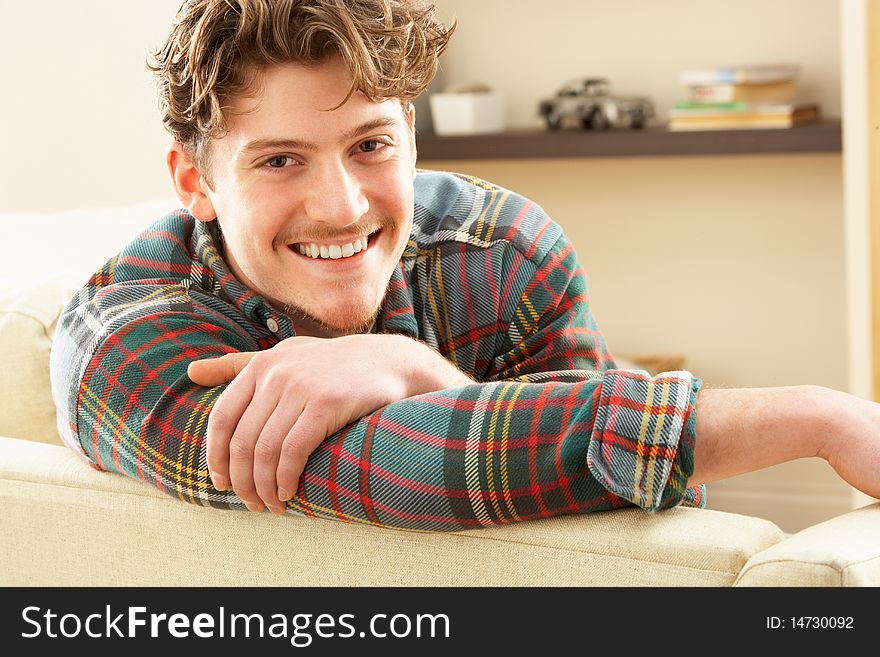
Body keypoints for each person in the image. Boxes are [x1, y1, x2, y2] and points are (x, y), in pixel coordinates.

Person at [50, 0, 879, 532]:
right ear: (195, 181)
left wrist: (406, 365)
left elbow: (624, 515)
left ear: (412, 134)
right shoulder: (124, 342)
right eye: (279, 161)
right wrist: (819, 418)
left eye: (371, 144)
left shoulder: (505, 249)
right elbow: (392, 473)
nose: (341, 207)